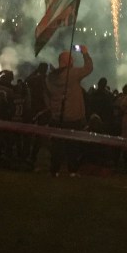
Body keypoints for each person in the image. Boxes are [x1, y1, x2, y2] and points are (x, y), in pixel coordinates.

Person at [45, 45, 93, 175]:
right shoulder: (72, 74)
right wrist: (85, 53)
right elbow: (88, 68)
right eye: (71, 59)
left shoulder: (50, 78)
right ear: (68, 61)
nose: (73, 61)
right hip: (73, 116)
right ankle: (72, 170)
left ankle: (54, 170)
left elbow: (47, 96)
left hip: (57, 116)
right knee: (73, 146)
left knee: (56, 146)